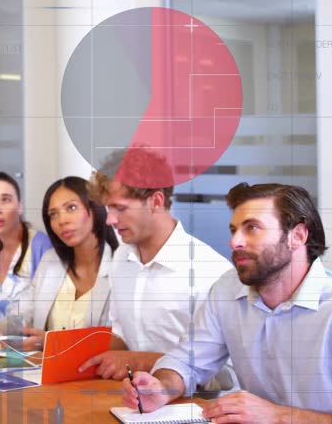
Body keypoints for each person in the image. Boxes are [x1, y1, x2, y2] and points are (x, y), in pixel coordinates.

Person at [123, 183, 332, 423]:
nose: (234, 242)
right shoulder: (227, 290)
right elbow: (187, 361)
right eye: (234, 230)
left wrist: (278, 416)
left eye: (252, 228)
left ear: (297, 236)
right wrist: (162, 386)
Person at [79, 147, 233, 381]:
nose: (110, 220)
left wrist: (142, 361)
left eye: (120, 208)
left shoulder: (211, 273)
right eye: (108, 208)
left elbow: (227, 374)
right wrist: (71, 353)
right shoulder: (122, 258)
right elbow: (121, 334)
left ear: (156, 201)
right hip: (131, 395)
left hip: (194, 402)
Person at [6, 176, 119, 349]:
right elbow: (23, 311)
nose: (62, 220)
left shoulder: (122, 268)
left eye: (71, 208)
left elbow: (121, 341)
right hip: (43, 365)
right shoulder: (50, 260)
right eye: (53, 214)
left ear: (95, 209)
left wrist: (54, 343)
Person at [0, 172, 52, 337]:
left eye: (5, 199)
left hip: (36, 347)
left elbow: (43, 314)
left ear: (20, 207)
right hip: (0, 345)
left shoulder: (41, 246)